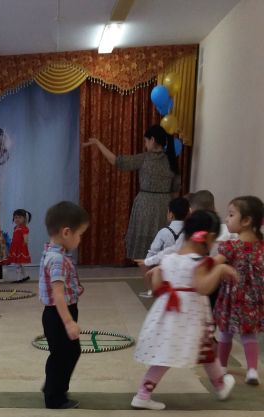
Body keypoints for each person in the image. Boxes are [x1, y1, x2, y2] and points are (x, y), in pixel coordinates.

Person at [132, 210, 237, 410]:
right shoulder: (199, 262)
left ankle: (220, 385)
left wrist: (158, 274)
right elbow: (203, 288)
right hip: (189, 318)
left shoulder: (170, 259)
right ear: (208, 238)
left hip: (170, 316)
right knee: (188, 352)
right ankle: (142, 395)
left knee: (204, 351)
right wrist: (220, 270)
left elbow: (157, 288)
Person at [84, 125, 181, 260]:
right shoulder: (172, 161)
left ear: (152, 140)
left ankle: (145, 267)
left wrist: (97, 143)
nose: (145, 144)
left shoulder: (144, 158)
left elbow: (116, 161)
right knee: (162, 242)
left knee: (144, 243)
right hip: (165, 206)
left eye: (146, 141)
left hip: (145, 205)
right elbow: (176, 191)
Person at [39, 201, 89, 409]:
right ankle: (54, 397)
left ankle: (53, 386)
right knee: (62, 355)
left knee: (68, 352)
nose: (80, 239)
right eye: (80, 234)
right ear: (66, 232)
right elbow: (58, 294)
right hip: (59, 314)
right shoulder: (57, 259)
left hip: (58, 313)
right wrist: (68, 322)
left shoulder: (53, 253)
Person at [214, 196, 264, 385]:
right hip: (253, 300)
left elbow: (212, 264)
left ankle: (222, 367)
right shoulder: (261, 246)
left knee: (225, 332)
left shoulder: (231, 246)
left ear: (246, 221)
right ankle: (252, 371)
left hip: (231, 298)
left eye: (231, 215)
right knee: (249, 334)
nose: (227, 219)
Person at [136, 197, 189, 298]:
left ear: (170, 214)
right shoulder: (189, 231)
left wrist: (146, 261)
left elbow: (153, 251)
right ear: (188, 214)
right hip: (185, 266)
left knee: (144, 263)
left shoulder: (163, 232)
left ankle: (151, 290)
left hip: (166, 267)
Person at [7, 209, 32, 283]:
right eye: (15, 217)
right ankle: (26, 276)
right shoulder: (15, 228)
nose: (17, 219)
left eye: (20, 217)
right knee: (20, 263)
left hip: (20, 248)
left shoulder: (24, 228)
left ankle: (18, 278)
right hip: (15, 247)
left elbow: (25, 239)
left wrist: (24, 245)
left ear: (24, 219)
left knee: (18, 264)